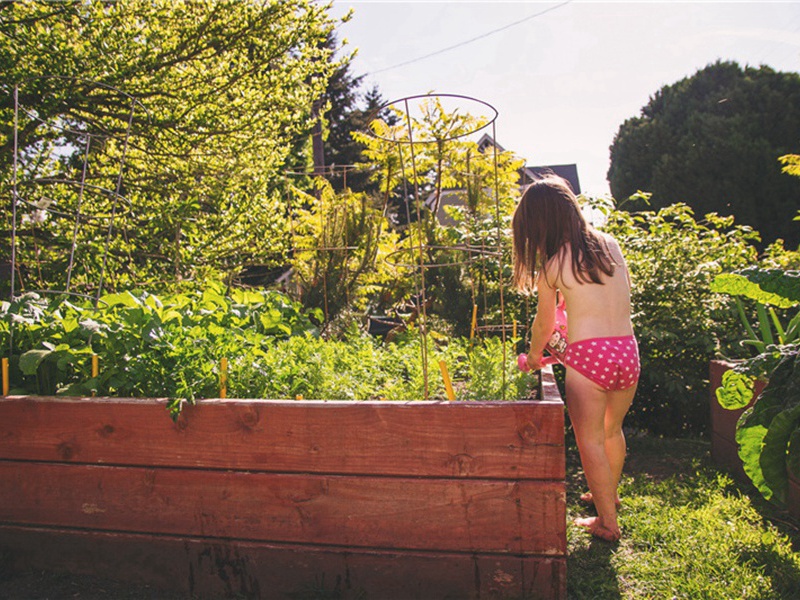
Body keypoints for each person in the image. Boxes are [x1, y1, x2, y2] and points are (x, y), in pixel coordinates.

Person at [511, 175, 639, 542]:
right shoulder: (610, 246)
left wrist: (536, 355)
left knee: (590, 441)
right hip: (627, 351)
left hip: (589, 358)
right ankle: (607, 495)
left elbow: (544, 324)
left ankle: (608, 523)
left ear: (540, 225)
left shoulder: (553, 267)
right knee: (612, 431)